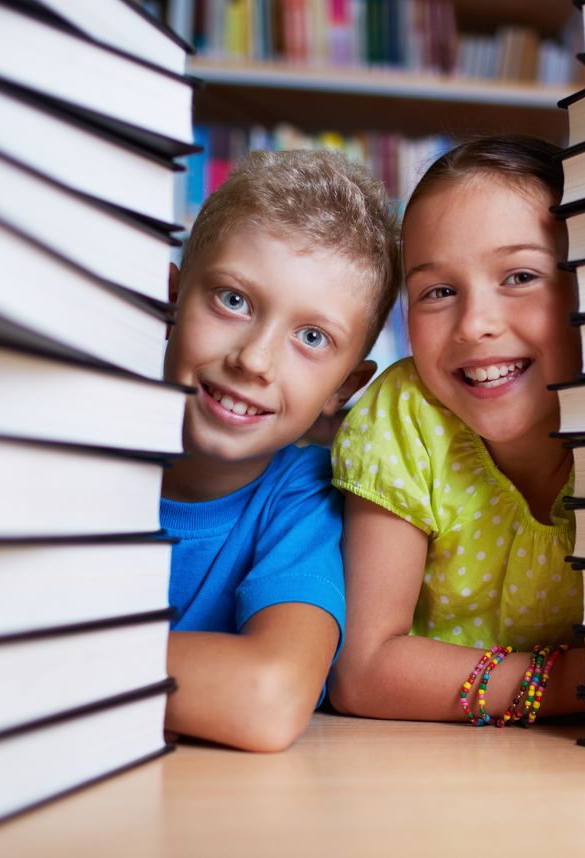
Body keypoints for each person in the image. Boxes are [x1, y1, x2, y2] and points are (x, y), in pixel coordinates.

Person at [328, 135, 585, 725]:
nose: (475, 325)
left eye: (520, 276)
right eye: (438, 292)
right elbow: (362, 672)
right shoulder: (404, 417)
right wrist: (578, 680)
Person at [162, 149, 399, 751]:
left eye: (312, 338)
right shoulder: (72, 447)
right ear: (168, 299)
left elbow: (267, 697)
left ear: (344, 388)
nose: (255, 360)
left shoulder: (304, 496)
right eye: (233, 300)